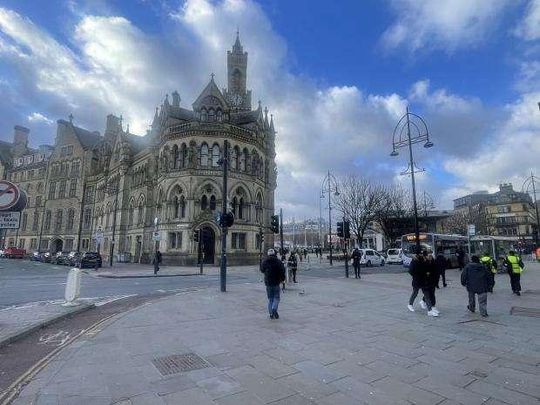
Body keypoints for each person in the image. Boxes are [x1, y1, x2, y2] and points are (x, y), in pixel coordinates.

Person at [260, 249, 286, 319]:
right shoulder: (278, 261)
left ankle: (271, 313)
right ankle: (274, 309)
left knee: (270, 299)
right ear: (274, 254)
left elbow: (262, 270)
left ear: (268, 254)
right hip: (276, 282)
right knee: (276, 298)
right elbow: (282, 271)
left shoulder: (265, 261)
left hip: (268, 282)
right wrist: (283, 279)